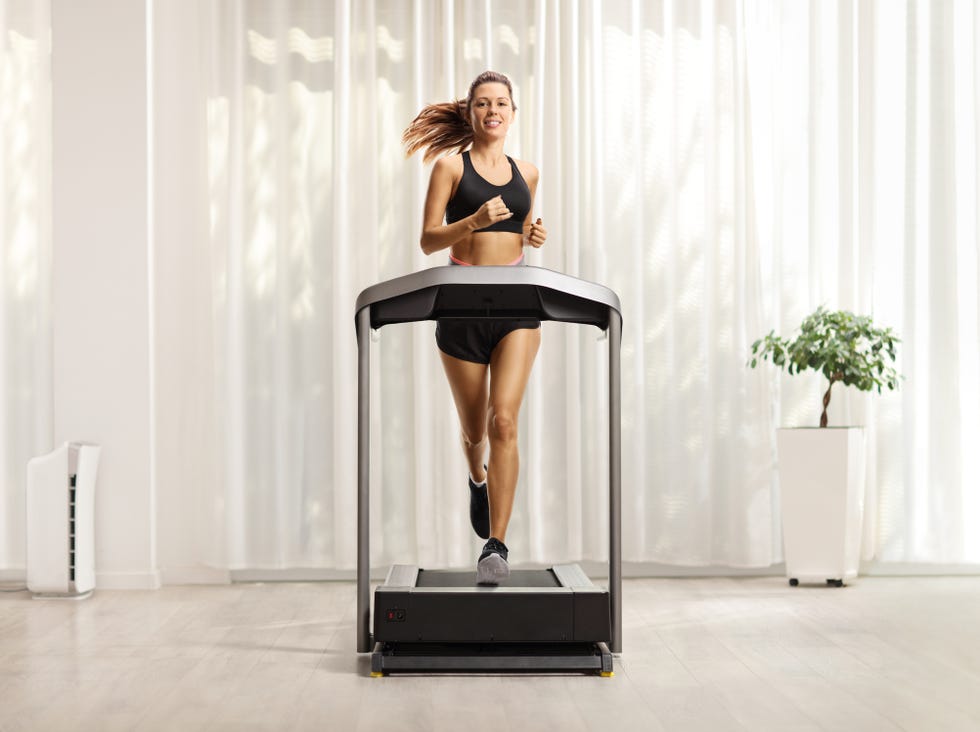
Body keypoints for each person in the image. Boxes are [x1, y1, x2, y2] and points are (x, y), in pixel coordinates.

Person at [403, 71, 547, 584]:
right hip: (460, 304)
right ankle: (476, 475)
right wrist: (473, 222)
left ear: (513, 112)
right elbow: (427, 241)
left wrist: (532, 234)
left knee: (503, 420)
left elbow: (520, 237)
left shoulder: (527, 173)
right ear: (470, 113)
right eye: (483, 103)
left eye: (501, 103)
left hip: (516, 304)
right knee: (474, 431)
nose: (493, 111)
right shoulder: (448, 167)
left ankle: (497, 547)